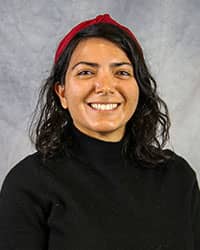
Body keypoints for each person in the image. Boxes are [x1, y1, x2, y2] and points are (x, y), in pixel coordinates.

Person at [0, 13, 199, 250]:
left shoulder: (179, 178)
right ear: (62, 93)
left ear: (139, 88)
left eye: (122, 72)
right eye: (86, 72)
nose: (105, 86)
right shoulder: (28, 184)